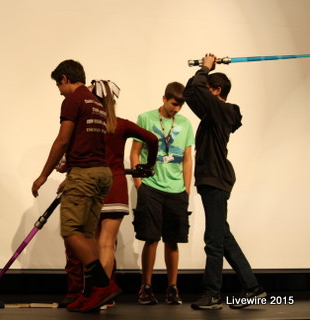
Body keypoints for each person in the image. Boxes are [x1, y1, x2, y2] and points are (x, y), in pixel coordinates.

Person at [59, 80, 159, 308]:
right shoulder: (121, 125)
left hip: (91, 187)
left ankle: (93, 293)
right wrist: (148, 166)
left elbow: (75, 151)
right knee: (106, 244)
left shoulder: (88, 124)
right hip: (115, 187)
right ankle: (101, 294)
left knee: (91, 244)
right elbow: (152, 139)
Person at [31, 60, 121, 313]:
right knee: (85, 233)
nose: (59, 90)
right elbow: (87, 142)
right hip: (101, 173)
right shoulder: (97, 103)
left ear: (64, 78)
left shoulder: (73, 100)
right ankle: (92, 293)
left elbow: (62, 140)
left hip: (85, 175)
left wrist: (43, 176)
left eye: (58, 85)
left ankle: (103, 285)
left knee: (71, 232)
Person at [183, 53, 267, 310]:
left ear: (217, 90)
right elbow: (190, 93)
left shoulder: (221, 110)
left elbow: (198, 88)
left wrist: (206, 67)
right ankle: (253, 287)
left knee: (214, 240)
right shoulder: (213, 114)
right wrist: (203, 72)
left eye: (209, 88)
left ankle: (212, 294)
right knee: (222, 236)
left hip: (216, 179)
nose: (204, 93)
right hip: (213, 179)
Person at [130, 82, 194, 305]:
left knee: (173, 240)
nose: (176, 109)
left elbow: (188, 158)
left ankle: (172, 288)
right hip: (152, 187)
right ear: (164, 98)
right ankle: (145, 287)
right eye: (174, 104)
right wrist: (139, 183)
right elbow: (135, 153)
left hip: (177, 190)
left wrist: (186, 188)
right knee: (151, 238)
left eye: (180, 106)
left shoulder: (186, 124)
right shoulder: (146, 118)